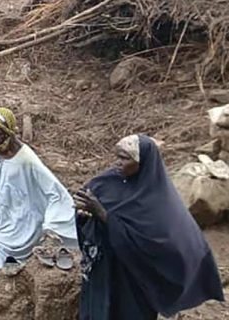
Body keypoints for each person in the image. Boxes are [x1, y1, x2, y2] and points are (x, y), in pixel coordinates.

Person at [75, 135, 224, 319]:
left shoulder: (158, 201)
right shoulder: (107, 181)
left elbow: (159, 245)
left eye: (125, 158)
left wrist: (104, 215)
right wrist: (84, 217)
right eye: (117, 157)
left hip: (133, 280)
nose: (118, 163)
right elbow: (87, 208)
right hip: (104, 270)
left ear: (143, 163)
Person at [0, 107, 77, 280]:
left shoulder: (26, 159)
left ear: (9, 132)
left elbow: (55, 192)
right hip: (0, 216)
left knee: (17, 250)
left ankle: (17, 261)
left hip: (23, 221)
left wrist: (51, 226)